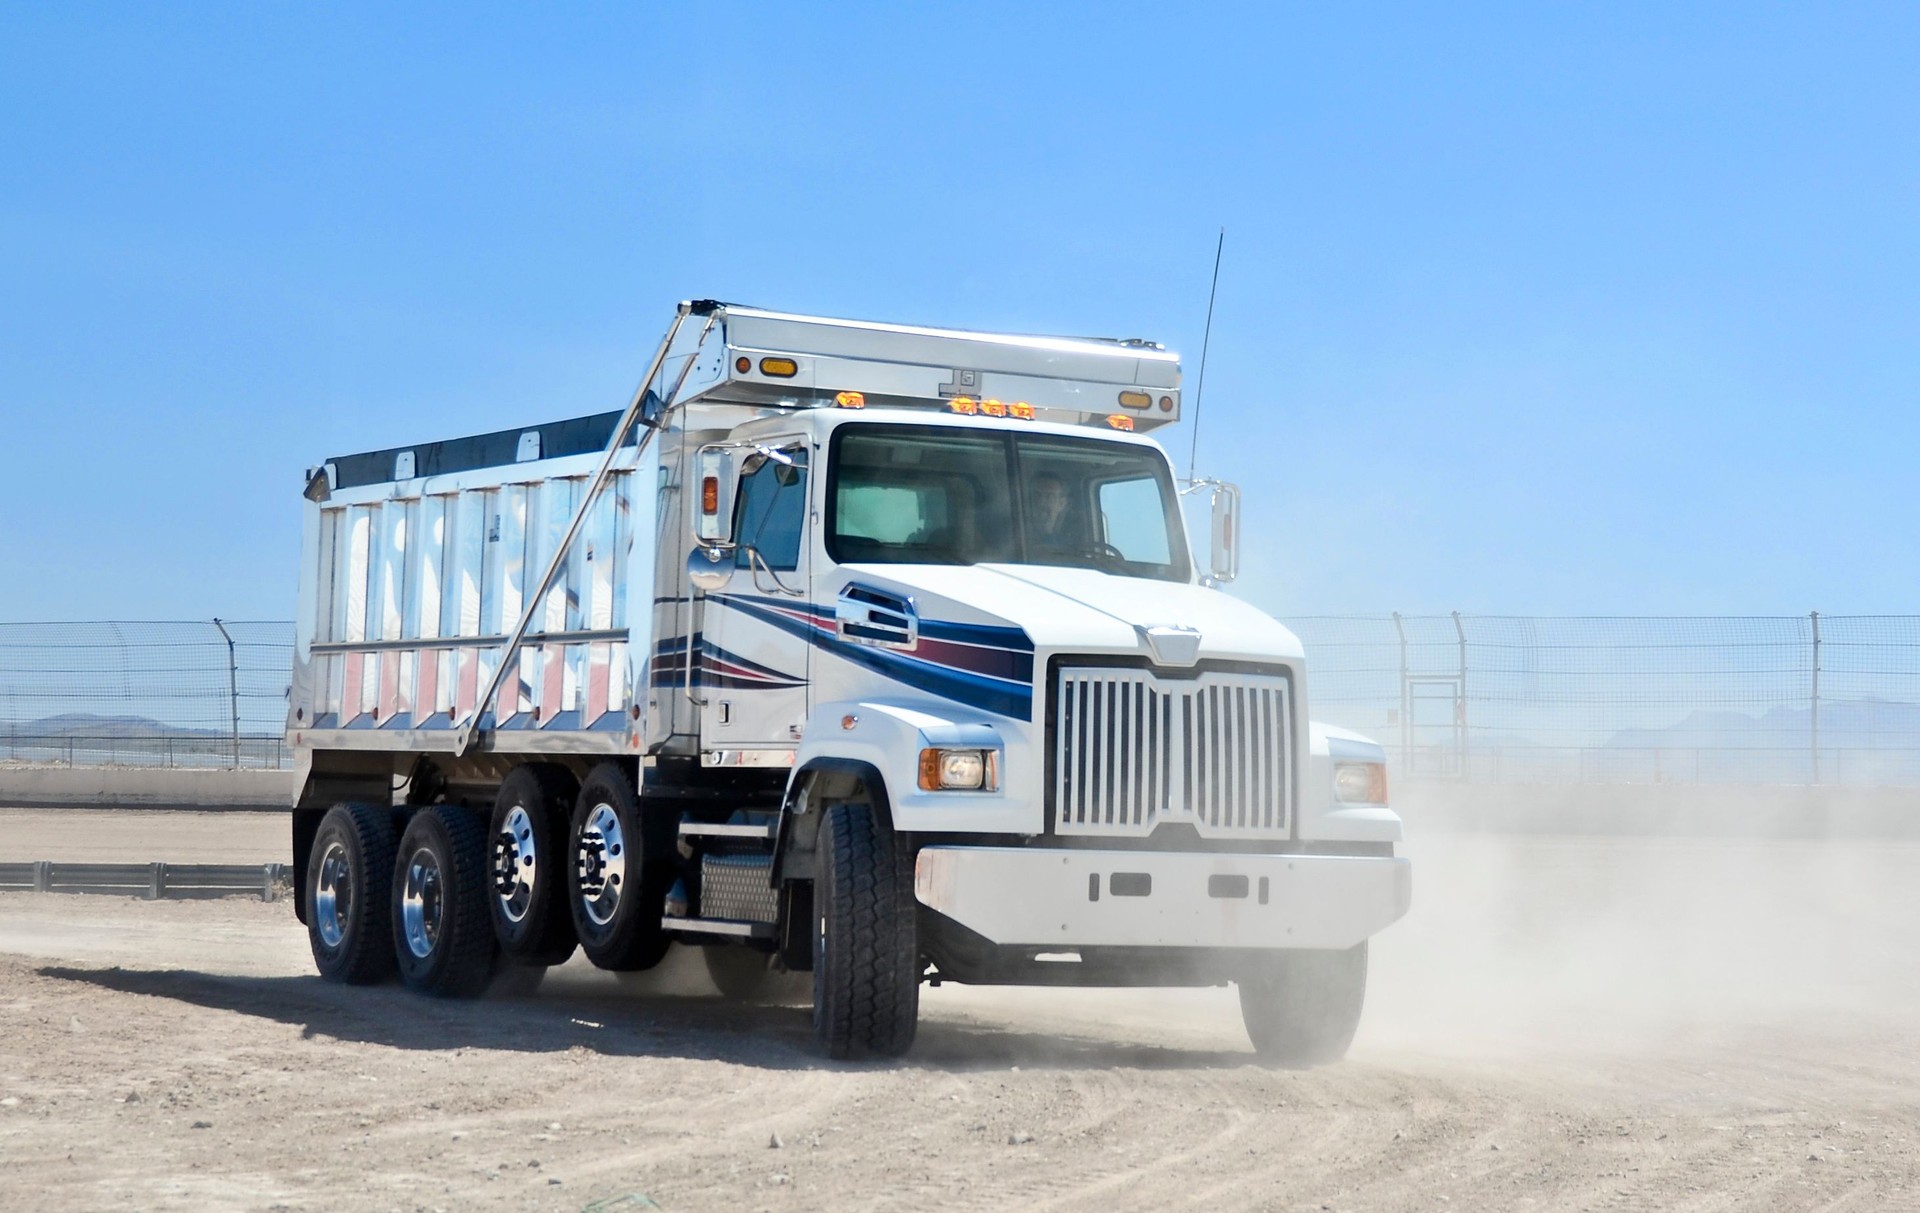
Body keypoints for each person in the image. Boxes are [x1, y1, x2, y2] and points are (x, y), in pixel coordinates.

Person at [1026, 471, 1082, 554]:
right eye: (1036, 495)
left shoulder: (1070, 546)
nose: (1041, 502)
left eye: (1050, 497)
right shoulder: (1012, 538)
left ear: (1062, 504)